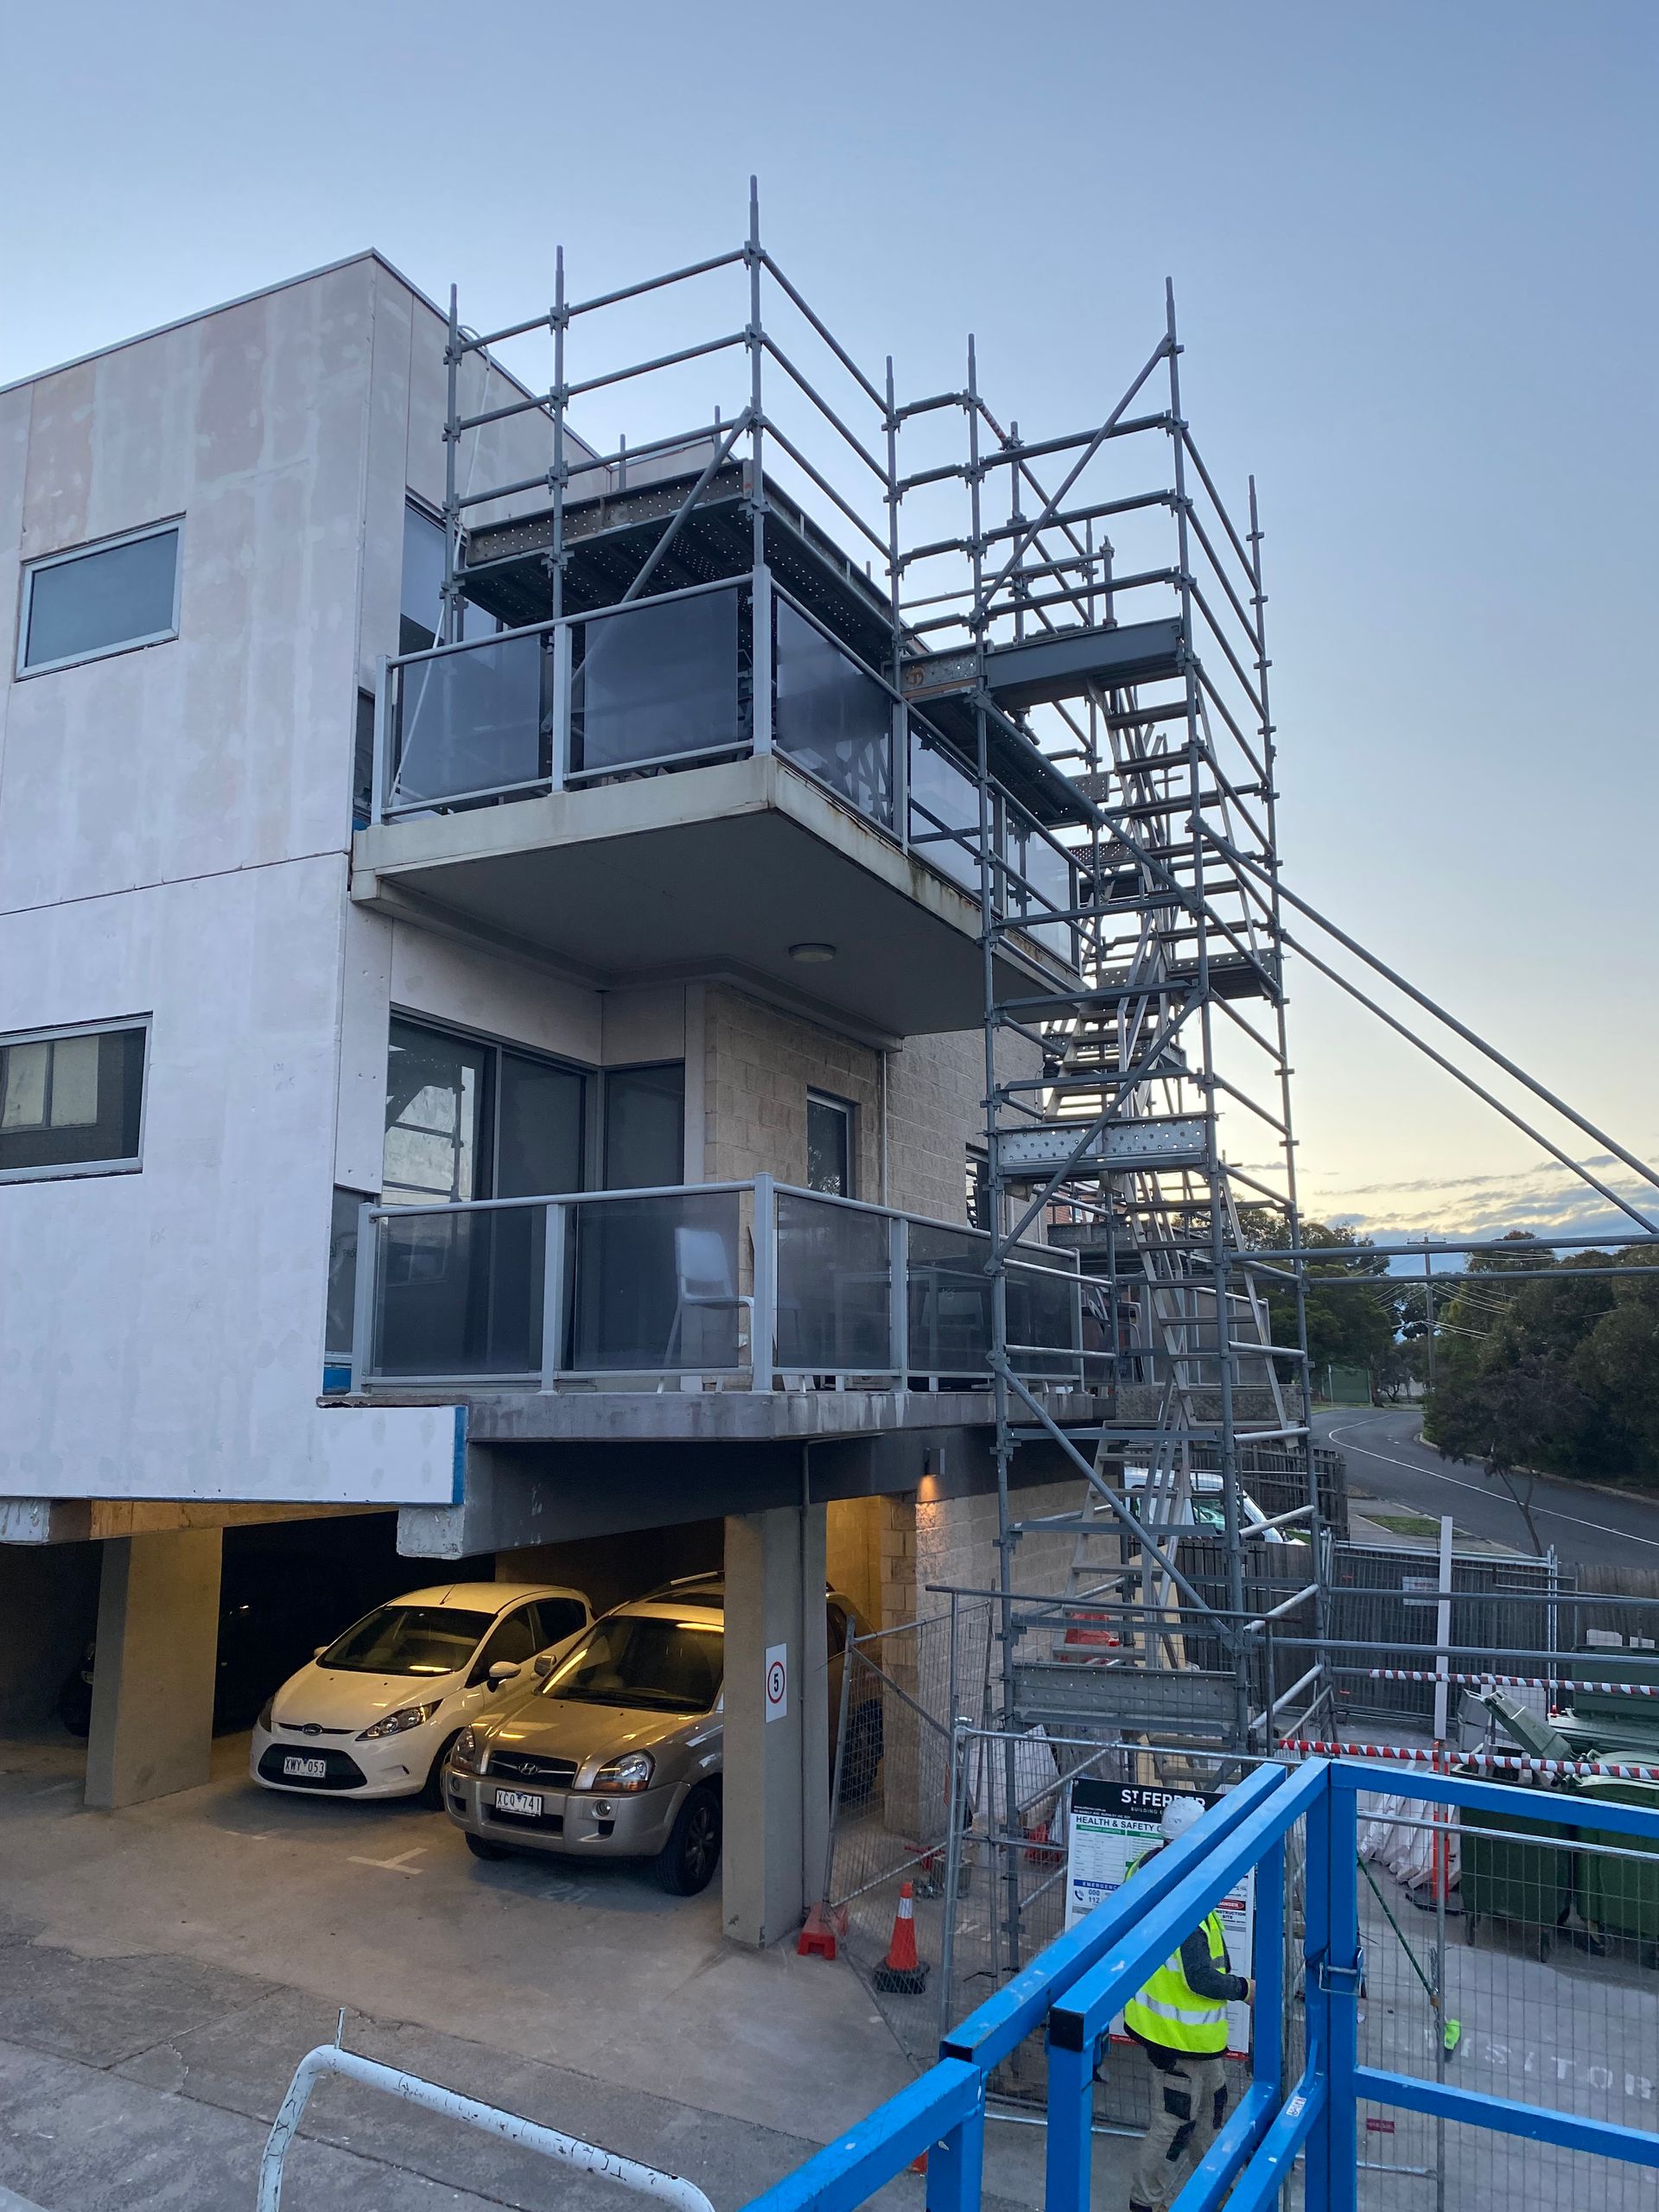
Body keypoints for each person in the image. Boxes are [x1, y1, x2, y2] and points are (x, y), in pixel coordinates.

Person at [1123, 1796, 1253, 2212]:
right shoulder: (1181, 1897)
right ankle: (1146, 2202)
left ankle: (1212, 2182)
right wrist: (1244, 1989)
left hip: (1183, 2033)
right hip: (1178, 2037)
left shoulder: (1149, 1866)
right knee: (1174, 2120)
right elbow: (1199, 1977)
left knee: (1212, 2100)